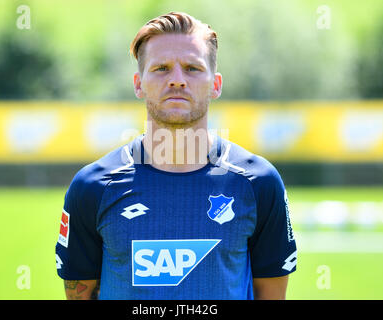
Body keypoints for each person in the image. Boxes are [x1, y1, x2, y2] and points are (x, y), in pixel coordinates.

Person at [55, 11, 297, 300]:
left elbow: (270, 292)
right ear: (138, 83)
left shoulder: (259, 183)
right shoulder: (92, 187)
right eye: (161, 68)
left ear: (216, 84)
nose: (177, 80)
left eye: (193, 68)